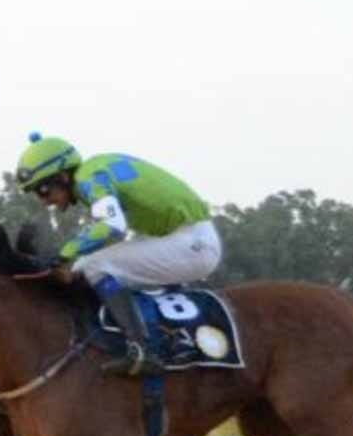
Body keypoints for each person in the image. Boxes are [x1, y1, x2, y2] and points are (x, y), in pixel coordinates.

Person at [14, 132, 221, 377]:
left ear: (63, 176)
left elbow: (112, 225)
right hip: (182, 238)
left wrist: (64, 254)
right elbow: (111, 232)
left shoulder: (89, 177)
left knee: (94, 266)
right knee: (83, 267)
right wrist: (71, 261)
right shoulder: (95, 169)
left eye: (44, 190)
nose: (45, 201)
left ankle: (141, 349)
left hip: (191, 242)